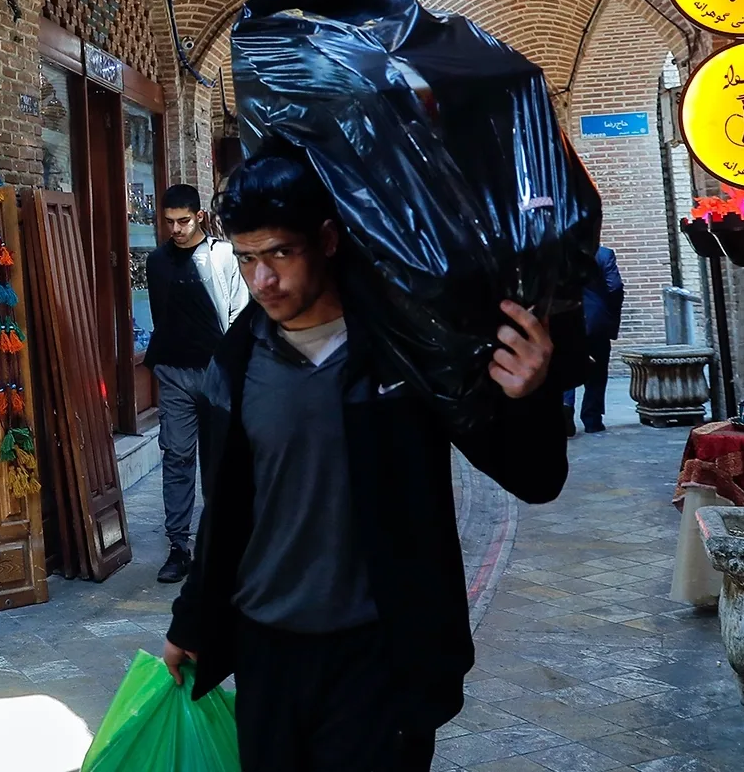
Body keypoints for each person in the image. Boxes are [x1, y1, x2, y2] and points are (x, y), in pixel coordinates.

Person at [162, 152, 567, 771]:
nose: (262, 280)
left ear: (327, 240)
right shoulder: (237, 362)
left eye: (280, 253)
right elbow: (229, 507)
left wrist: (529, 398)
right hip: (266, 652)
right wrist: (193, 620)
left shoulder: (405, 355)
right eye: (246, 259)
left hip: (380, 655)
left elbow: (536, 478)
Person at [143, 183, 249, 585]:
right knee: (177, 456)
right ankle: (178, 547)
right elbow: (161, 316)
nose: (176, 229)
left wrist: (233, 365)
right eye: (169, 221)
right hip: (173, 372)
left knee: (221, 460)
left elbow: (238, 312)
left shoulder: (223, 255)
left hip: (216, 371)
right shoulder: (157, 261)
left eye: (183, 221)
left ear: (199, 216)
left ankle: (223, 545)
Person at [571, 245, 624, 434]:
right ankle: (592, 419)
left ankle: (565, 411)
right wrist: (607, 311)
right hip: (595, 320)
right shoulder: (603, 254)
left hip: (565, 318)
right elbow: (615, 286)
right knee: (598, 369)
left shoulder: (557, 250)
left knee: (565, 365)